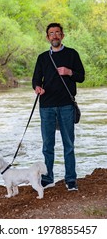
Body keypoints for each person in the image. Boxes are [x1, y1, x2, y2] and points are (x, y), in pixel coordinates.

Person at [32, 23, 85, 191]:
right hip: (46, 105)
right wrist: (37, 88)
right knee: (48, 145)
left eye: (57, 33)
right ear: (47, 37)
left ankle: (71, 180)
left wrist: (69, 72)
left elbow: (81, 77)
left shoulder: (72, 54)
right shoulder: (42, 58)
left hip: (66, 105)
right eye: (51, 33)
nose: (54, 36)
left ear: (62, 35)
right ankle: (48, 178)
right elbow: (35, 80)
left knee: (68, 144)